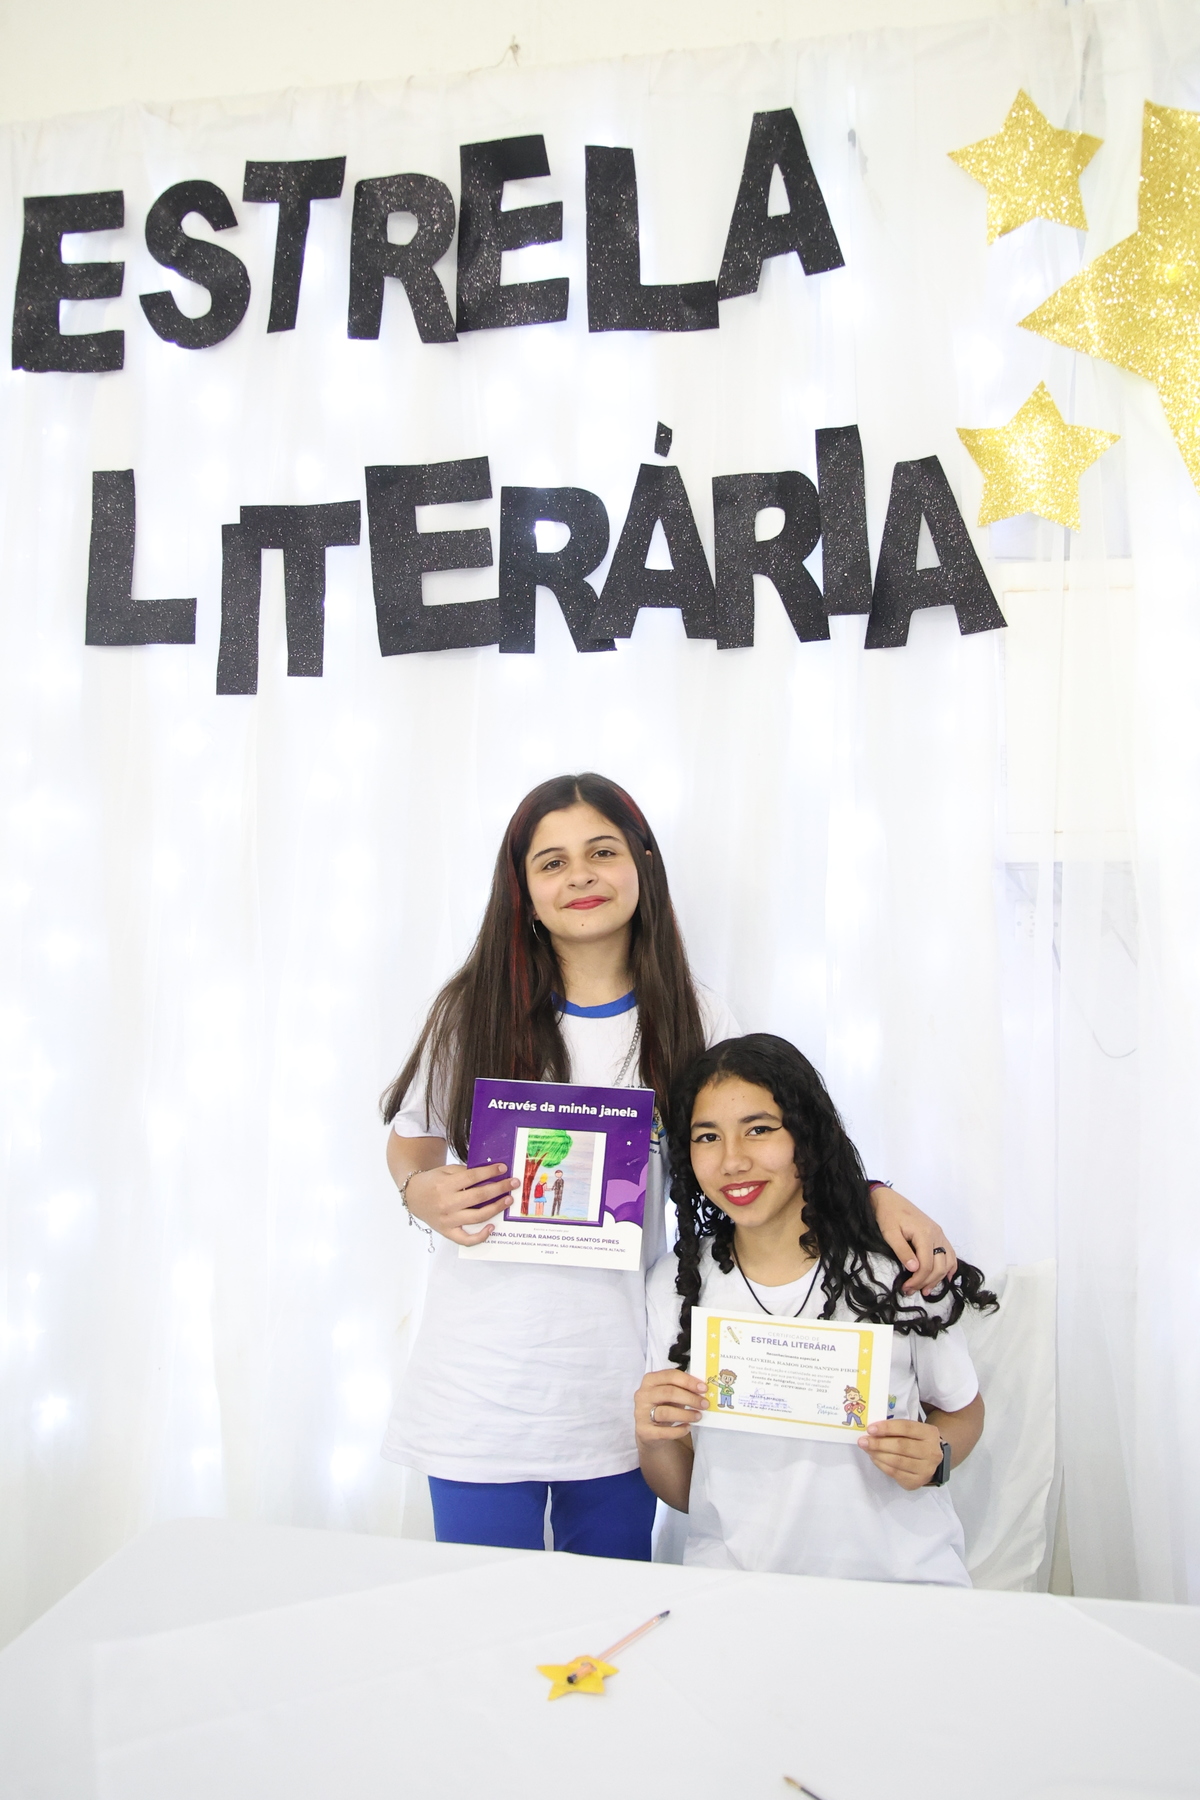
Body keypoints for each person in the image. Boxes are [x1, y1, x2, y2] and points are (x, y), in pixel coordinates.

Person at [382, 774, 958, 1561]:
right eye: (551, 862)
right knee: (481, 1612)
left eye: (602, 852)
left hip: (619, 1383)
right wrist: (420, 1189)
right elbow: (411, 1139)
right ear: (522, 890)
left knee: (609, 1619)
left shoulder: (694, 1014)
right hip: (478, 1384)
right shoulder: (469, 1010)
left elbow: (765, 1139)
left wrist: (872, 1195)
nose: (579, 876)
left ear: (642, 864)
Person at [636, 1034, 997, 1584]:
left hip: (900, 1587)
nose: (733, 1160)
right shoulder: (676, 1283)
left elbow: (963, 1412)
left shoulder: (899, 1268)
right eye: (708, 1137)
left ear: (807, 1134)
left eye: (759, 1129)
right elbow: (687, 1494)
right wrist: (651, 1435)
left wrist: (937, 1454)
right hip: (737, 1589)